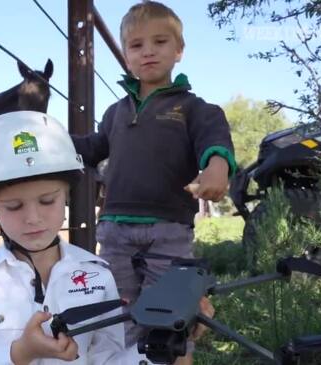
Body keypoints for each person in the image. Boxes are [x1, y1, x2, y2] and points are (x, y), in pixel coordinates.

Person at [0, 111, 213, 365]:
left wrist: (172, 342)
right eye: (14, 206)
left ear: (66, 196)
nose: (33, 217)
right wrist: (19, 353)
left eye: (47, 201)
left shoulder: (96, 275)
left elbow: (108, 359)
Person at [71, 1, 236, 362]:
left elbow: (215, 142)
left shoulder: (195, 108)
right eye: (136, 45)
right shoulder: (115, 113)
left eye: (160, 42)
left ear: (178, 51)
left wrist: (217, 166)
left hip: (169, 231)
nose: (148, 52)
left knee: (171, 320)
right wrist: (53, 141)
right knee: (119, 316)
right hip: (114, 232)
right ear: (127, 56)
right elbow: (92, 148)